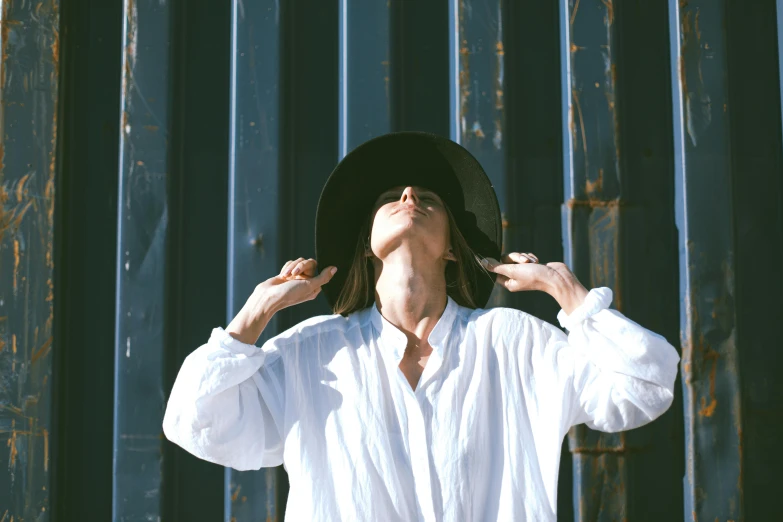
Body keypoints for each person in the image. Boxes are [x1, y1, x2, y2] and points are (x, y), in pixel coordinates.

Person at [163, 132, 680, 521]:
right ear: (367, 244)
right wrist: (254, 315)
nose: (409, 193)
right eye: (392, 195)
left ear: (453, 247)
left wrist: (565, 290)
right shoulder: (310, 355)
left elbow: (647, 384)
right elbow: (194, 422)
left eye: (427, 197)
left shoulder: (514, 342)